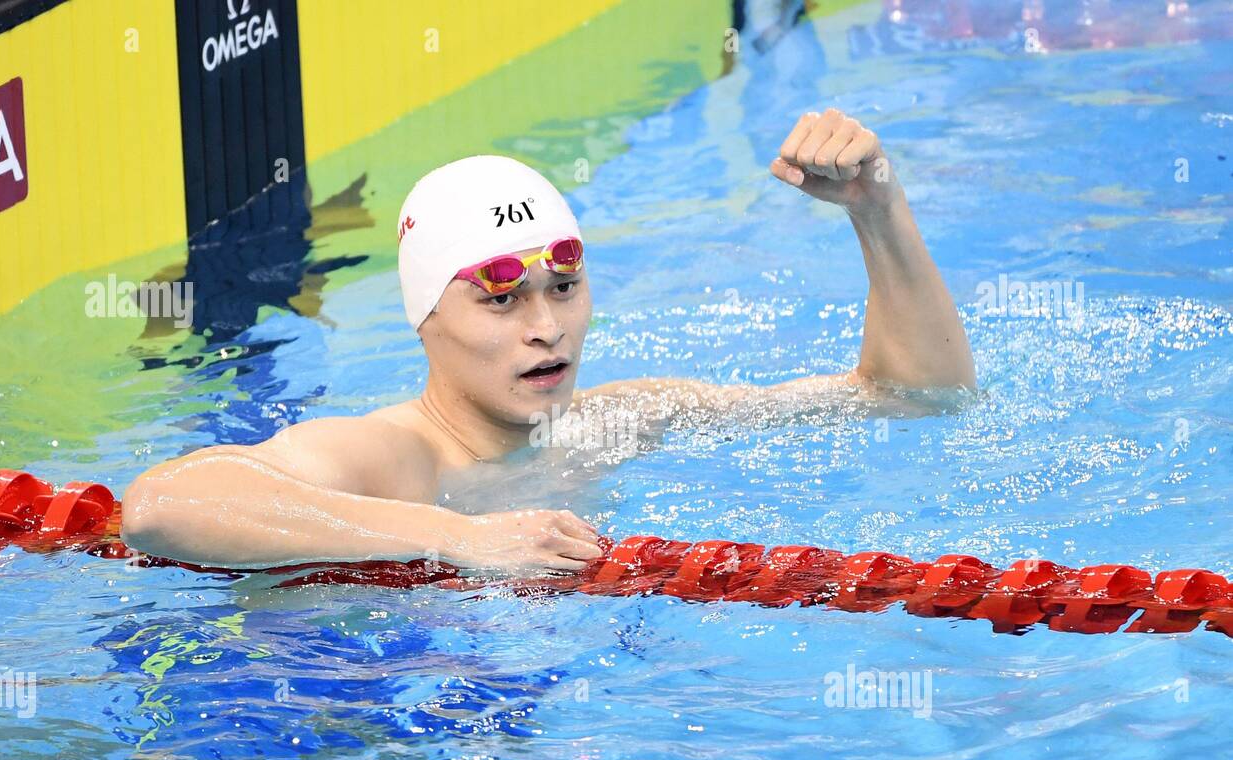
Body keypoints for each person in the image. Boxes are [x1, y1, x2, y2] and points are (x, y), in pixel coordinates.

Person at [120, 108, 976, 574]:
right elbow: (164, 506)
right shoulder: (388, 456)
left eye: (564, 288)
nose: (545, 327)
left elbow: (915, 398)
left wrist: (879, 209)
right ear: (426, 318)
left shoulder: (620, 422)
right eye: (501, 301)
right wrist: (454, 535)